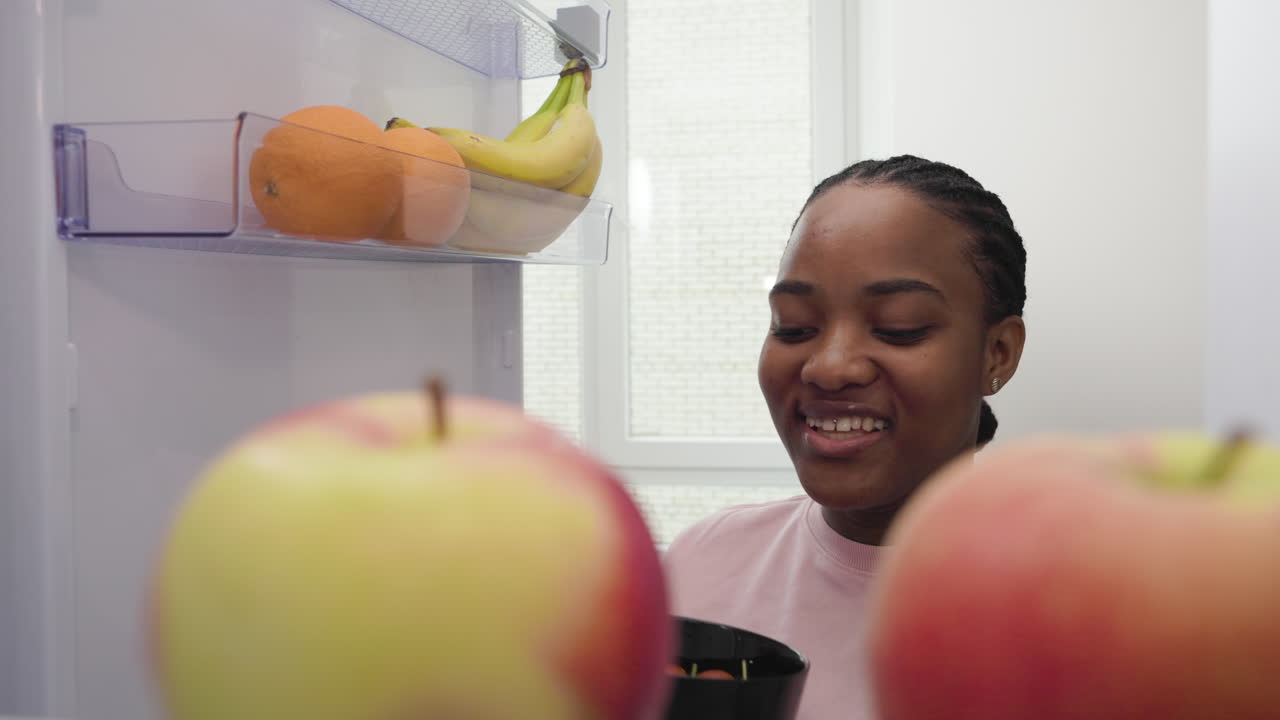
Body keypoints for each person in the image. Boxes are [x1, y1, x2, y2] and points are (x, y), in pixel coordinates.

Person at [662, 154, 1027, 719]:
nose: (829, 368)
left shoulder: (1084, 608)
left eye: (898, 327)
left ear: (997, 354)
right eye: (795, 326)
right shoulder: (702, 565)